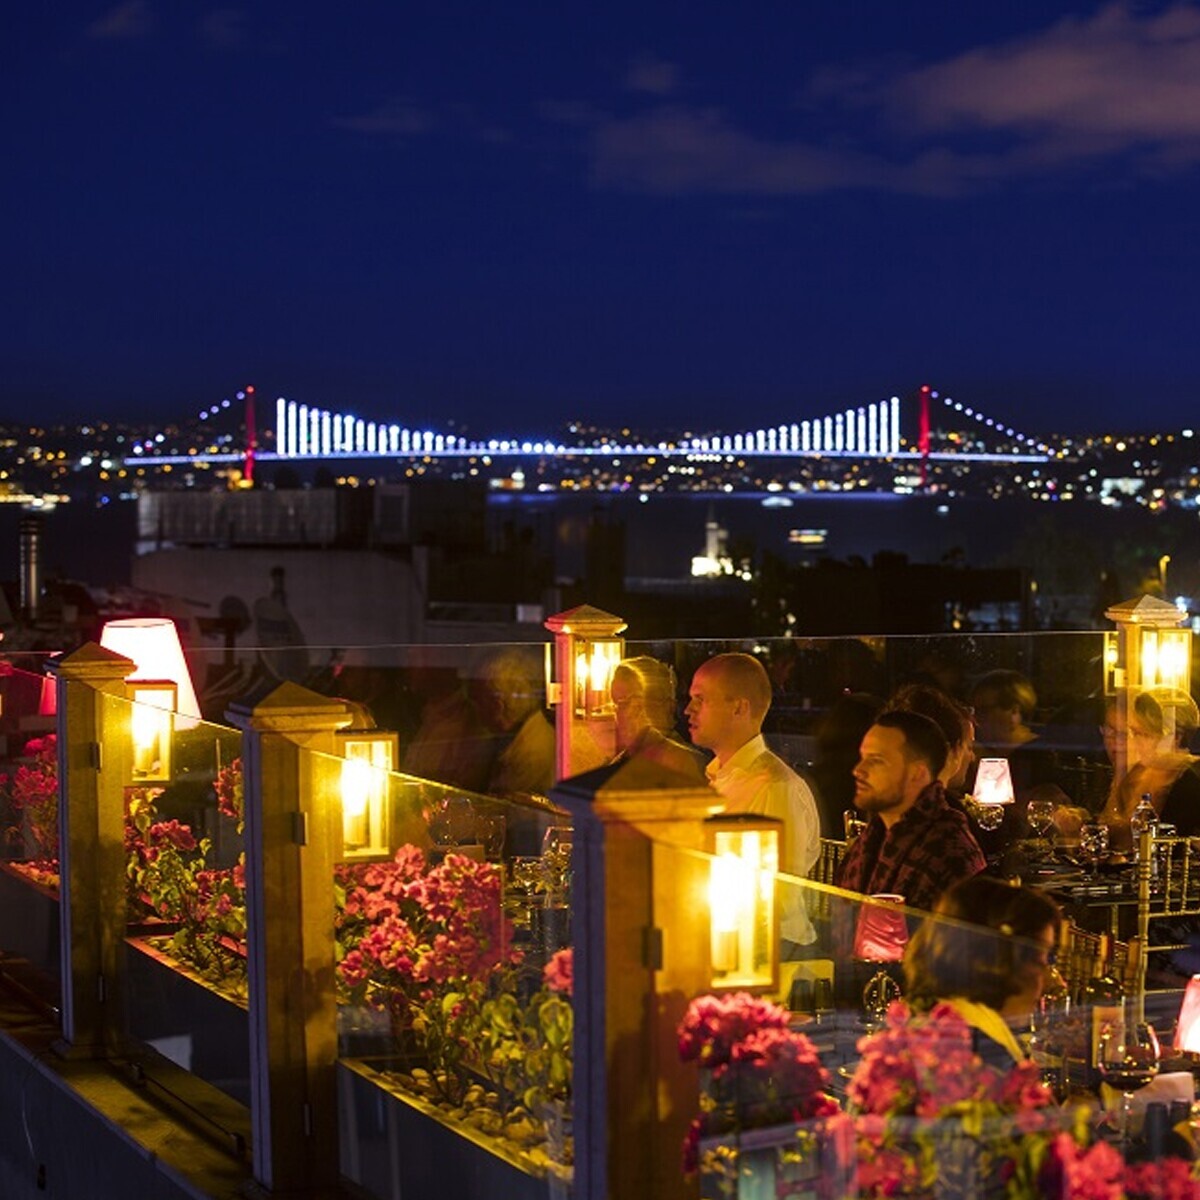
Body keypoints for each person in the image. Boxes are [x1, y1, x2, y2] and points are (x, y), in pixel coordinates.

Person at [686, 652, 820, 954]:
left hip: (771, 951)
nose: (688, 710)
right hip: (723, 941)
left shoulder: (776, 787)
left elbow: (781, 897)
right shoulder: (719, 777)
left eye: (700, 699)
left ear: (739, 707)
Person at [835, 710, 986, 913]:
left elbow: (950, 942)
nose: (859, 770)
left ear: (918, 773)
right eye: (863, 757)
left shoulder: (949, 854)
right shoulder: (871, 840)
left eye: (877, 760)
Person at [903, 876, 1061, 1068]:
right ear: (996, 961)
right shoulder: (982, 1059)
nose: (1052, 981)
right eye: (1038, 960)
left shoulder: (926, 1024)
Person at [1100, 686, 1200, 849]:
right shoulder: (1136, 774)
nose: (1136, 743)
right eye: (1134, 733)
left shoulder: (1193, 781)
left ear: (1175, 737)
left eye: (1144, 735)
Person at [610, 657, 707, 784]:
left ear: (668, 706)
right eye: (618, 704)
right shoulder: (619, 762)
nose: (625, 714)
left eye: (636, 703)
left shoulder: (684, 764)